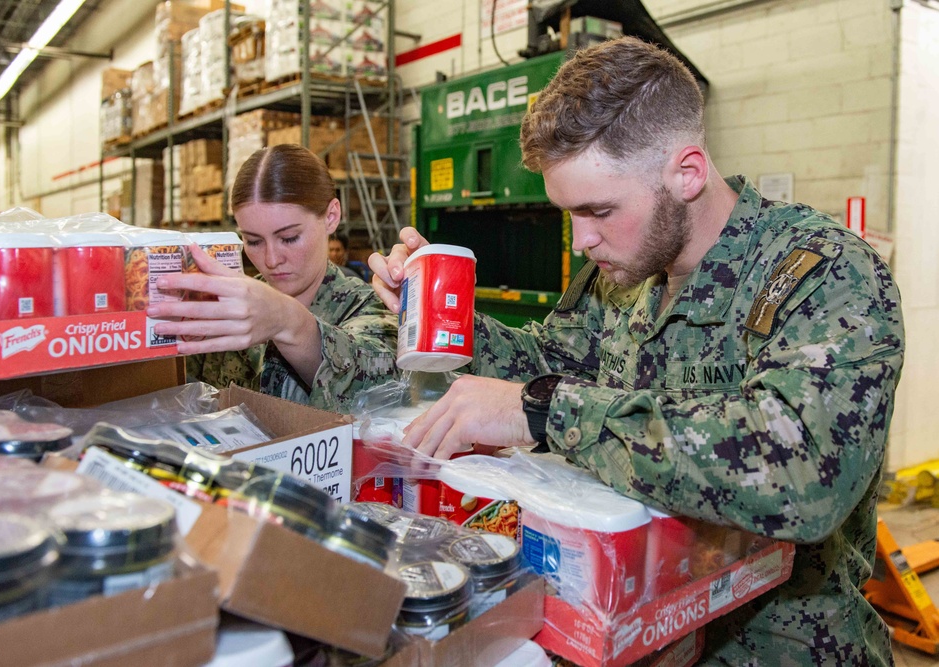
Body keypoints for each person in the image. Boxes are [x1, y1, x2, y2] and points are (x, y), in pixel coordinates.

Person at [368, 37, 904, 665]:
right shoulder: (622, 274)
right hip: (630, 635)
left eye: (599, 210)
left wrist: (545, 412)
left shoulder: (823, 272)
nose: (584, 239)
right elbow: (546, 367)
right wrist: (436, 319)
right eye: (570, 214)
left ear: (687, 172)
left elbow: (801, 471)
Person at [149, 144, 397, 409]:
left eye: (289, 238)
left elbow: (382, 383)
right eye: (253, 241)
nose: (271, 259)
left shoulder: (371, 307)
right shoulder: (225, 304)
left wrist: (287, 322)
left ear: (331, 217)